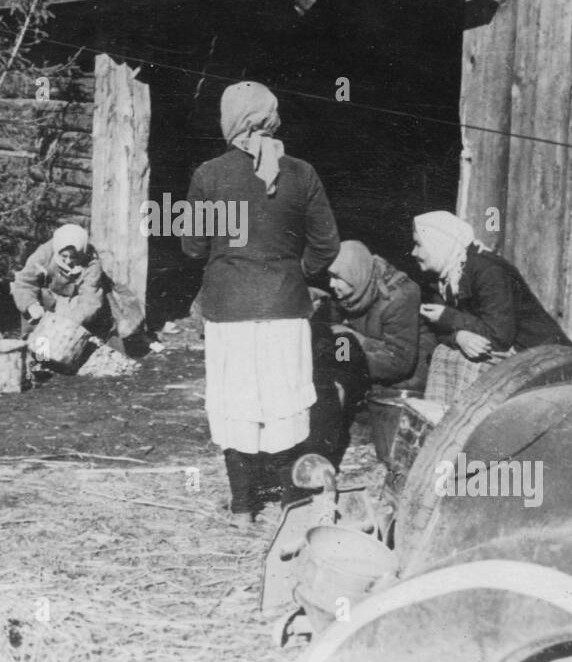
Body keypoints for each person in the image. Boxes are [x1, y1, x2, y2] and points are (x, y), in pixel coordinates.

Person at [183, 81, 340, 528]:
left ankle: (243, 508)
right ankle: (291, 503)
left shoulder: (210, 175)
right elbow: (327, 245)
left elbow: (193, 248)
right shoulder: (301, 173)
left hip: (229, 311)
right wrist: (294, 271)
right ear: (271, 116)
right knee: (282, 400)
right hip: (284, 309)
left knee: (237, 401)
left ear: (228, 119)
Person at [411, 210, 572, 404]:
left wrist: (449, 318)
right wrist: (459, 336)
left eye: (419, 244)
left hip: (542, 356)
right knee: (444, 354)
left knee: (468, 363)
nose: (414, 252)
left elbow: (499, 337)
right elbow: (436, 327)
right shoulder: (446, 274)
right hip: (504, 349)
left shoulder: (488, 271)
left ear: (438, 243)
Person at [324, 239, 435, 395]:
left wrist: (356, 343)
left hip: (403, 386)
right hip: (367, 375)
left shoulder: (399, 297)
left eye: (336, 277)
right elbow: (341, 341)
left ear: (355, 272)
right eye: (329, 276)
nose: (331, 284)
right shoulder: (349, 293)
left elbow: (399, 362)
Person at [11, 223, 143, 342]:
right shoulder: (44, 254)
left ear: (82, 253)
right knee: (35, 317)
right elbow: (24, 282)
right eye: (64, 256)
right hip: (50, 295)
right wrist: (30, 305)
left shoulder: (92, 262)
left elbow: (89, 299)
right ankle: (34, 348)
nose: (68, 261)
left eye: (73, 257)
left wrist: (70, 323)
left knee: (85, 327)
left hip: (75, 299)